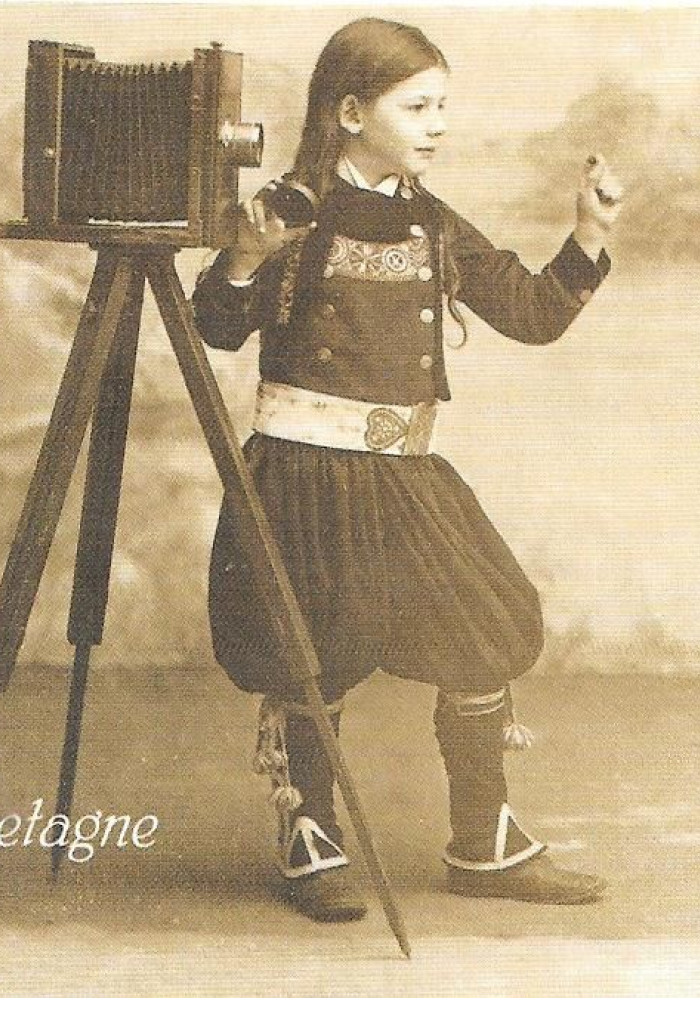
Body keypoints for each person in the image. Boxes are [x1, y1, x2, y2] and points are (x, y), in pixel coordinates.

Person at [191, 17, 623, 923]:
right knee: (316, 653)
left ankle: (484, 843)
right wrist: (243, 257)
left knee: (485, 626)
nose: (437, 126)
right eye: (417, 106)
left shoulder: (431, 221)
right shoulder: (290, 209)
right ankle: (309, 837)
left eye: (443, 108)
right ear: (349, 111)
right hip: (303, 473)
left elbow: (532, 313)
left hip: (401, 471)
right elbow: (217, 327)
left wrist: (585, 237)